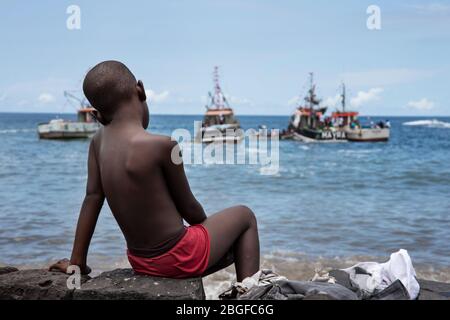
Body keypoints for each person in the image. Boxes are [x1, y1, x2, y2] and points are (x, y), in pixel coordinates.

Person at [49, 61, 260, 281]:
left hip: (141, 262)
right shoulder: (164, 146)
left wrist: (77, 263)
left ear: (98, 116)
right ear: (140, 89)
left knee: (232, 248)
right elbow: (190, 208)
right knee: (244, 216)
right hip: (181, 257)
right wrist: (208, 232)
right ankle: (250, 295)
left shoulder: (97, 143)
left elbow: (92, 198)